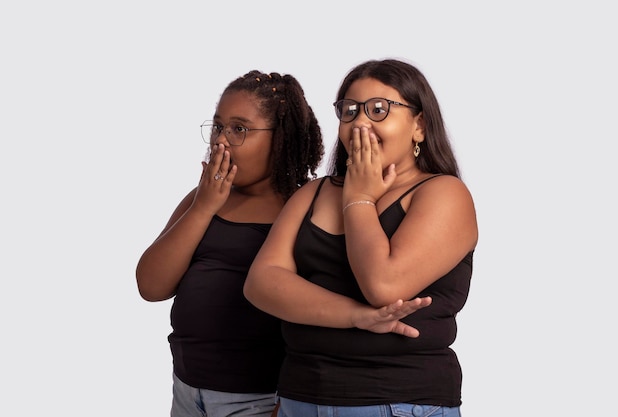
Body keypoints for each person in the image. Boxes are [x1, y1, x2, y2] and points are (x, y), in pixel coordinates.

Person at [243, 58, 478, 417]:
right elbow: (261, 283)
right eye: (349, 111)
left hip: (397, 401)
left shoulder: (444, 194)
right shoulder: (314, 192)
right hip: (299, 398)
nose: (360, 122)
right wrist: (356, 316)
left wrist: (360, 198)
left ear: (419, 125)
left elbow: (383, 285)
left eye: (379, 109)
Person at [135, 70, 326, 417]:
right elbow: (150, 285)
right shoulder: (204, 199)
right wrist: (204, 207)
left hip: (260, 400)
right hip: (187, 391)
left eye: (239, 129)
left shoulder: (301, 209)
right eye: (218, 126)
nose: (221, 141)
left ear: (280, 138)